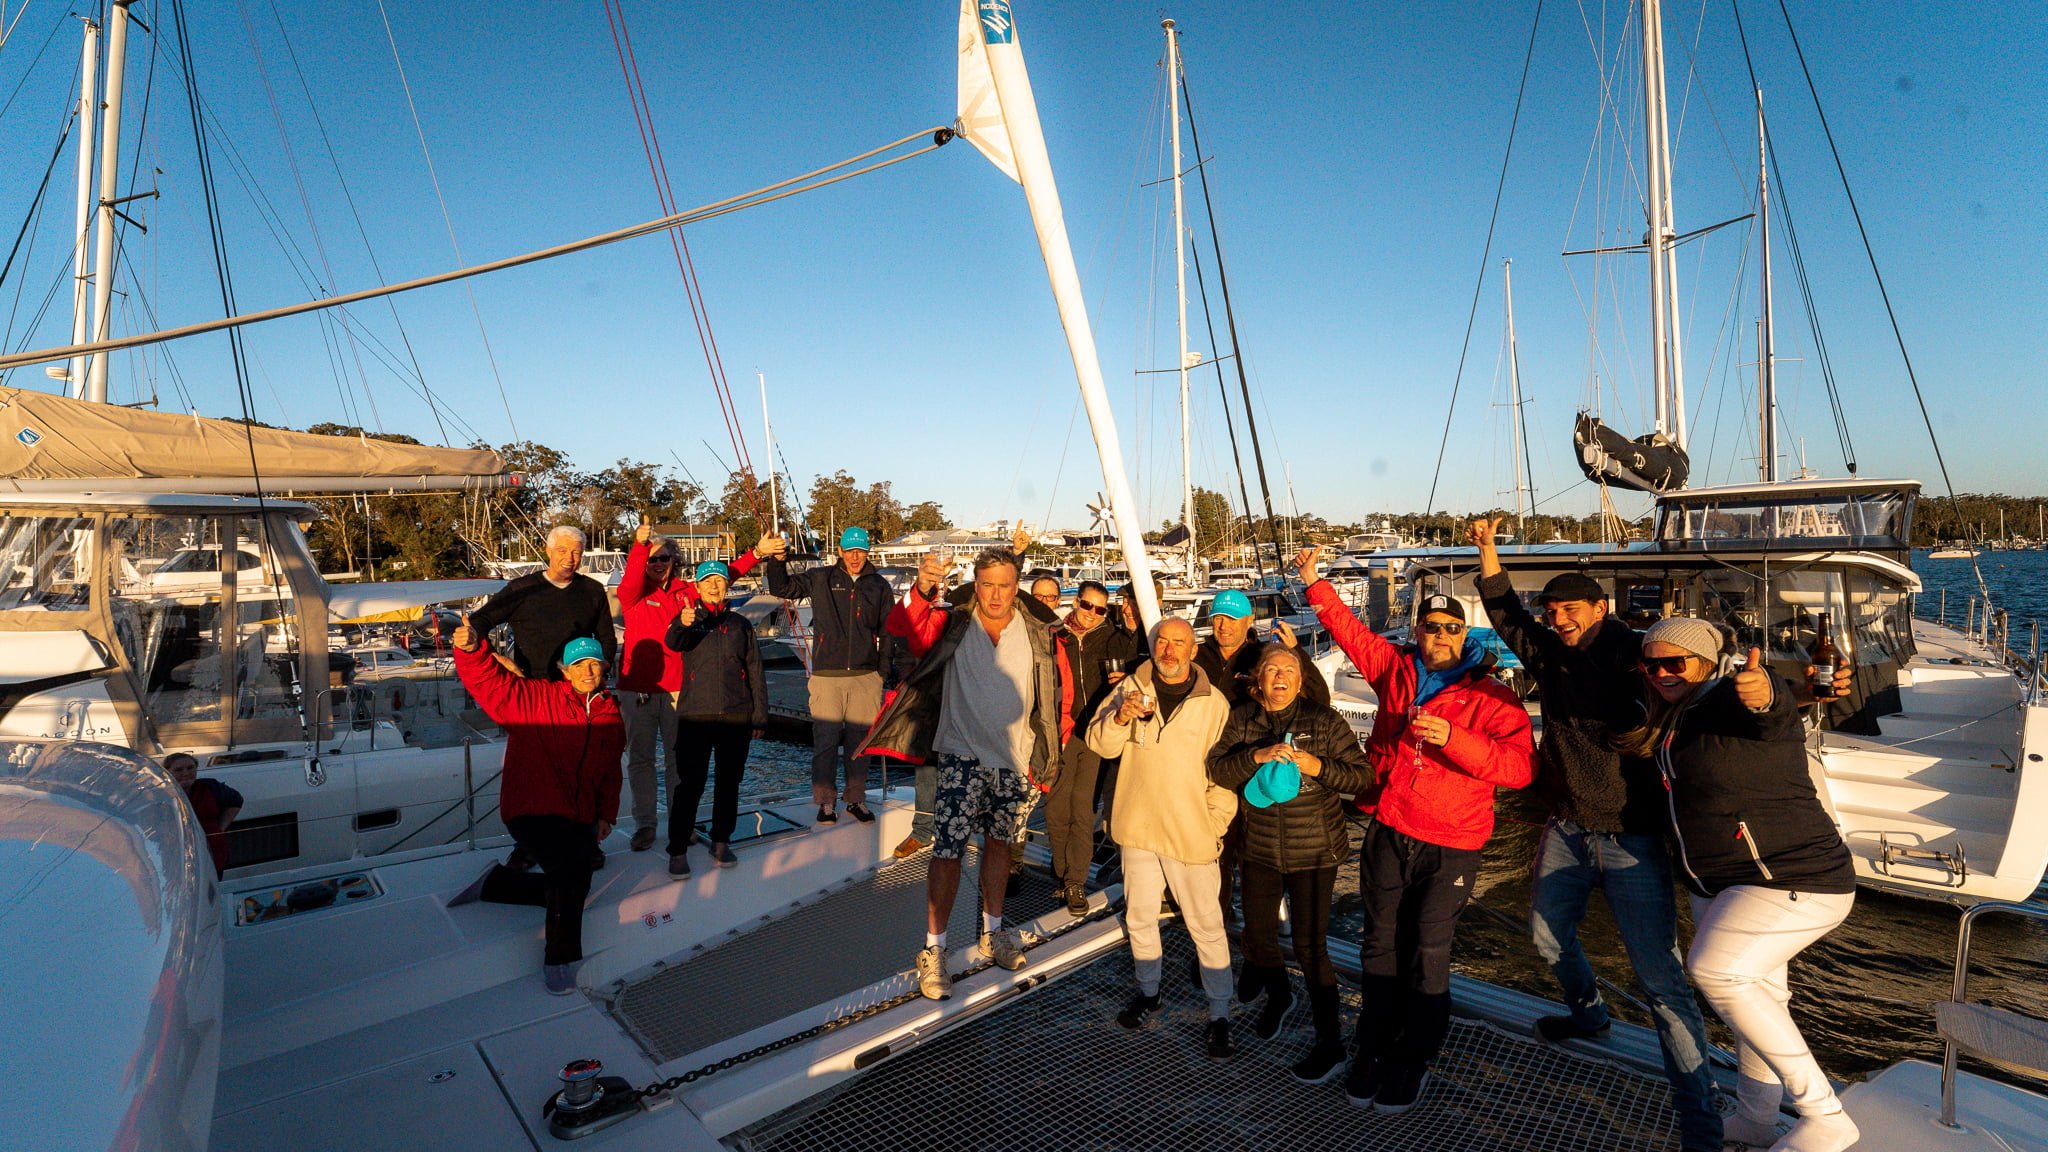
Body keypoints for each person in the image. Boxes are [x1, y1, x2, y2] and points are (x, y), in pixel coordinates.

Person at [1466, 518, 1722, 1152]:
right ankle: (1590, 1014)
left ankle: (1701, 1120)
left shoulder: (1635, 651)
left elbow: (1695, 681)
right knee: (1546, 937)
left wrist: (1772, 692)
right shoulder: (1550, 651)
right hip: (1570, 826)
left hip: (1633, 838)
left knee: (1659, 980)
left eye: (1571, 609)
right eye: (1552, 610)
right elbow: (1504, 617)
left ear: (1601, 608)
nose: (1559, 619)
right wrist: (1488, 550)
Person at [1298, 546, 1534, 1114]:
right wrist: (1313, 583)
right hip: (1389, 825)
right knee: (1379, 943)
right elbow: (1351, 633)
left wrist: (1454, 740)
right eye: (1432, 628)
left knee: (1428, 950)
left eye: (1452, 628)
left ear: (1464, 634)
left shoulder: (1492, 695)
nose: (1441, 637)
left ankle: (1413, 1057)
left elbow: (1520, 768)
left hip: (1451, 841)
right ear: (1419, 632)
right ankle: (1373, 1046)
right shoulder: (1397, 671)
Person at [1615, 618, 1860, 1152]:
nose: (1660, 673)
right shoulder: (1675, 718)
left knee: (1716, 971)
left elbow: (1764, 705)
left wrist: (1769, 690)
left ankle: (1824, 1114)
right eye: (1650, 665)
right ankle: (1755, 1116)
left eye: (1674, 662)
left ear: (1703, 663)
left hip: (1794, 876)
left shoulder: (1726, 698)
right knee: (1763, 993)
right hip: (1721, 883)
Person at [862, 547, 1063, 1001]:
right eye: (987, 584)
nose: (995, 594)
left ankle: (993, 932)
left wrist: (1049, 749)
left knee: (999, 844)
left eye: (1005, 585)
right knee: (948, 851)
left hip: (1014, 759)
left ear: (1018, 587)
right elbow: (906, 628)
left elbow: (1054, 693)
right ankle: (934, 949)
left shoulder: (1037, 630)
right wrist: (921, 587)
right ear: (977, 583)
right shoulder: (952, 620)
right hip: (959, 756)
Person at [1208, 643, 1374, 1082]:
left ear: (1300, 681)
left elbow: (1362, 777)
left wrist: (1317, 765)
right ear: (1258, 679)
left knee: (1309, 948)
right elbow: (1218, 770)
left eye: (1288, 671)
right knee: (1257, 935)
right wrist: (1255, 756)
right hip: (1259, 848)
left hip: (1315, 852)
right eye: (1271, 670)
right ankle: (1281, 995)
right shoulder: (1242, 719)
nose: (1279, 677)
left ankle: (1330, 1043)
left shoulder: (1322, 721)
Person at [1087, 616, 1239, 1057]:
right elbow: (1101, 745)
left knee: (1206, 925)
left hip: (1190, 829)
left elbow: (1225, 773)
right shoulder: (1130, 688)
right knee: (1139, 916)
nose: (1168, 650)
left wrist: (1215, 822)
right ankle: (1149, 991)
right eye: (1162, 642)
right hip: (1137, 825)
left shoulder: (1214, 704)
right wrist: (1118, 716)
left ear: (1193, 651)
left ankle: (1219, 1014)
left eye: (1179, 643)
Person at [449, 621, 624, 996]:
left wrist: (606, 814)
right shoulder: (537, 699)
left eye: (594, 664)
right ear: (564, 670)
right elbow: (490, 683)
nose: (587, 672)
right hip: (530, 807)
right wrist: (470, 650)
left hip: (577, 813)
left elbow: (610, 772)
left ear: (605, 667)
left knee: (578, 878)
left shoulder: (611, 714)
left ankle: (498, 884)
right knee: (569, 872)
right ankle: (559, 959)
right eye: (578, 666)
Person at [616, 523, 765, 851]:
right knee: (640, 759)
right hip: (636, 689)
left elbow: (721, 578)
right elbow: (629, 580)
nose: (658, 563)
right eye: (652, 559)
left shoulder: (687, 591)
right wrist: (640, 546)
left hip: (677, 690)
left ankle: (678, 824)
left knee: (677, 763)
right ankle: (645, 824)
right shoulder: (634, 594)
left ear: (674, 560)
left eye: (664, 557)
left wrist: (756, 554)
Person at [1195, 588, 1328, 926]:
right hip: (1208, 764)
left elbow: (1317, 695)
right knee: (1215, 853)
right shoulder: (1200, 656)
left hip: (1252, 766)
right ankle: (1217, 922)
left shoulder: (1262, 657)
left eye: (1233, 618)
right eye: (1218, 618)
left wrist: (1299, 652)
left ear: (1249, 620)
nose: (1225, 626)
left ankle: (1263, 928)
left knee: (1250, 851)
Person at [762, 527, 894, 826]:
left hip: (866, 675)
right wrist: (777, 560)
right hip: (826, 675)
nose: (855, 556)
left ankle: (856, 799)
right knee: (825, 741)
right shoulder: (821, 577)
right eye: (850, 550)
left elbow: (888, 632)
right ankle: (826, 803)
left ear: (867, 551)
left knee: (859, 744)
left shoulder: (879, 586)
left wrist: (882, 673)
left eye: (860, 550)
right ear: (841, 551)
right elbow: (781, 588)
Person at [663, 561, 767, 878]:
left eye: (719, 580)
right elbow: (673, 641)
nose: (713, 585)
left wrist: (759, 716)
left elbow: (755, 671)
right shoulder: (690, 618)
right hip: (696, 715)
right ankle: (678, 848)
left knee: (728, 783)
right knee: (689, 784)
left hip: (736, 714)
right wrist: (683, 623)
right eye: (707, 580)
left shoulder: (740, 624)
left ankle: (721, 840)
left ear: (727, 586)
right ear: (697, 586)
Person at [1040, 578, 1138, 914]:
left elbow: (1136, 656)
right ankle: (1063, 871)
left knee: (1082, 809)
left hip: (1095, 734)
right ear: (1076, 602)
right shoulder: (1056, 636)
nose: (1092, 614)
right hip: (1061, 732)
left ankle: (1075, 883)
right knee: (1055, 808)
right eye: (1087, 605)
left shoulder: (1111, 637)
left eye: (1100, 609)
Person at [468, 525, 616, 679]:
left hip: (577, 686)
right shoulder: (522, 589)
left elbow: (607, 638)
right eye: (562, 551)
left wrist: (603, 666)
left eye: (576, 552)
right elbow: (478, 621)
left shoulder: (593, 590)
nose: (569, 559)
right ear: (548, 551)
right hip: (533, 686)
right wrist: (497, 659)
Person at [168, 751, 242, 878]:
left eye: (190, 768)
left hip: (213, 851)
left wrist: (220, 828)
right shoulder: (162, 794)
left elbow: (236, 801)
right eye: (178, 770)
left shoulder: (210, 787)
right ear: (167, 772)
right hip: (178, 855)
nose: (185, 773)